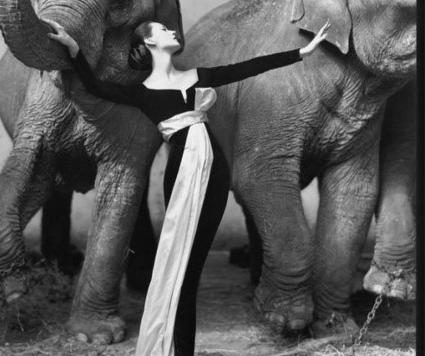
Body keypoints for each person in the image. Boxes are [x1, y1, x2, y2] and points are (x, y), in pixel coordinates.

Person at [44, 18, 329, 356]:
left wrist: (302, 52)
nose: (171, 32)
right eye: (162, 31)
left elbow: (249, 68)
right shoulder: (142, 92)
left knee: (192, 270)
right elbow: (95, 86)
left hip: (214, 171)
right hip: (181, 173)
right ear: (149, 44)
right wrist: (75, 51)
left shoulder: (198, 77)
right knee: (184, 276)